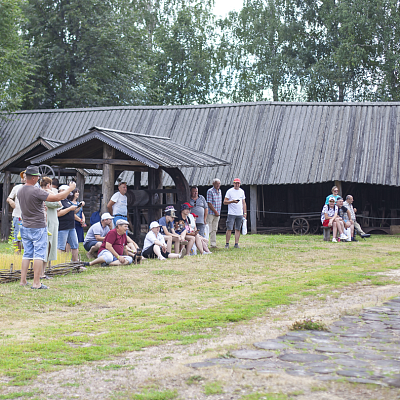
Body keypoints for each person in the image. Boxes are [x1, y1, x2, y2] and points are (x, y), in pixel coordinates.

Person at [18, 166, 76, 289]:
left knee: (27, 253)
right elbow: (58, 198)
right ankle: (36, 283)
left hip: (25, 226)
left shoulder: (20, 190)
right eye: (37, 176)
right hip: (38, 226)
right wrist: (70, 188)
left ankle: (23, 281)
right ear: (33, 178)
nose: (39, 178)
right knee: (39, 254)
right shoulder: (36, 191)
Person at [40, 177, 62, 277]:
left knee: (49, 247)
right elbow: (59, 203)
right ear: (49, 185)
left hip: (52, 222)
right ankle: (41, 273)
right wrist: (52, 193)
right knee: (47, 246)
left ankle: (43, 272)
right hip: (48, 223)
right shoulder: (46, 195)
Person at [57, 187, 84, 262]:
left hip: (71, 227)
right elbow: (58, 214)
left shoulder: (67, 201)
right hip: (62, 227)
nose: (69, 193)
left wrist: (78, 207)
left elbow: (73, 212)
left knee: (75, 245)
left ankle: (75, 263)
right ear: (61, 191)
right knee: (61, 247)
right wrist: (69, 209)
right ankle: (59, 264)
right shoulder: (58, 201)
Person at [224, 178, 247, 249]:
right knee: (229, 228)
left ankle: (236, 244)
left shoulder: (242, 191)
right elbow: (225, 202)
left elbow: (243, 202)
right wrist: (232, 201)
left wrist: (245, 212)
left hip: (239, 213)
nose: (237, 184)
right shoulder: (229, 191)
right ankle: (227, 244)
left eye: (238, 183)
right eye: (236, 183)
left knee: (238, 229)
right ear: (233, 183)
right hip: (231, 213)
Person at [7, 170, 26, 253]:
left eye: (25, 177)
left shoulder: (34, 188)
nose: (23, 178)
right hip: (18, 215)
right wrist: (11, 201)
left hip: (28, 217)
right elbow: (9, 198)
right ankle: (17, 254)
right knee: (16, 236)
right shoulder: (16, 187)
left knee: (26, 237)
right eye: (22, 177)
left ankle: (25, 254)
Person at [206, 178, 222, 248]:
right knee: (208, 228)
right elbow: (209, 203)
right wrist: (215, 211)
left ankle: (213, 244)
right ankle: (205, 243)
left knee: (214, 229)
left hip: (217, 213)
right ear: (213, 184)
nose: (218, 185)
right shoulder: (210, 191)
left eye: (219, 183)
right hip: (211, 213)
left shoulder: (220, 191)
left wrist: (218, 212)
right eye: (216, 183)